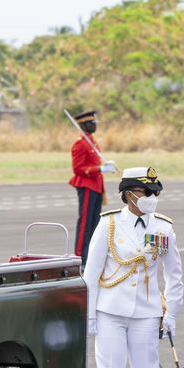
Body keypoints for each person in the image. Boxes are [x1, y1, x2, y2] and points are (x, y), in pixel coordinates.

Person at [84, 167, 183, 368]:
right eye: (147, 193)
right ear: (129, 195)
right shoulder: (109, 225)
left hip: (146, 312)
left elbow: (174, 276)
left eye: (156, 193)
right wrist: (89, 315)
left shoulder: (163, 228)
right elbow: (92, 273)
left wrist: (172, 315)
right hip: (110, 311)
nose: (153, 198)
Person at [69, 110, 117, 266]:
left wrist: (104, 166)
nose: (95, 125)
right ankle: (80, 256)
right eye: (92, 123)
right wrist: (100, 169)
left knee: (95, 222)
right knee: (85, 222)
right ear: (84, 125)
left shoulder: (91, 141)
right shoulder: (80, 143)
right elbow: (78, 168)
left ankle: (90, 254)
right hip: (87, 185)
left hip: (96, 185)